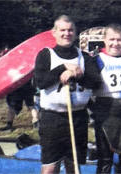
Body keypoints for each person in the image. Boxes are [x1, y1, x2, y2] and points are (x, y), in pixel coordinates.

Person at [34, 15, 101, 174]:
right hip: (52, 119)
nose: (67, 33)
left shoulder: (84, 57)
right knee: (50, 167)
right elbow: (40, 82)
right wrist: (62, 68)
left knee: (74, 165)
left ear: (75, 33)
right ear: (54, 32)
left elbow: (95, 82)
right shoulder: (46, 55)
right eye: (62, 30)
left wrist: (78, 74)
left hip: (78, 117)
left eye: (70, 30)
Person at [91, 24, 121, 174]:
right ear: (104, 40)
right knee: (105, 160)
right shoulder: (96, 59)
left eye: (119, 39)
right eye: (111, 39)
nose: (115, 43)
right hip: (106, 114)